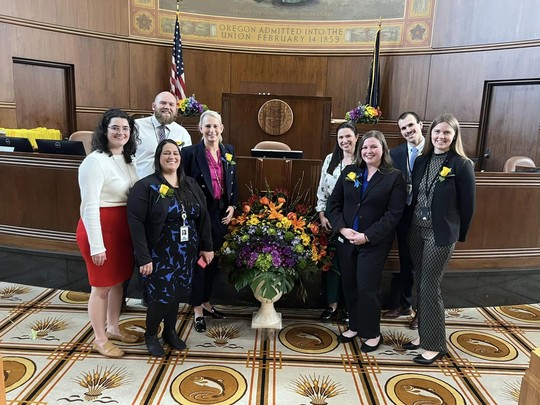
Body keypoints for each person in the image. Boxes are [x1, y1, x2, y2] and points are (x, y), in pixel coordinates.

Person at [127, 139, 214, 357]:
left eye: (175, 153)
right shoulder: (146, 186)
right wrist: (143, 257)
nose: (171, 157)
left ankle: (169, 331)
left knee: (176, 294)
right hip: (159, 254)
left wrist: (207, 247)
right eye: (166, 153)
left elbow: (203, 218)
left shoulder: (190, 184)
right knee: (161, 297)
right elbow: (135, 223)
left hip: (186, 254)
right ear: (158, 158)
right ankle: (150, 335)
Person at [403, 113, 475, 365]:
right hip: (416, 230)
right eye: (437, 132)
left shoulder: (462, 164)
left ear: (454, 136)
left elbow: (468, 206)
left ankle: (435, 345)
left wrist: (457, 234)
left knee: (430, 286)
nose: (441, 136)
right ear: (430, 134)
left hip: (440, 234)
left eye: (446, 132)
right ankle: (425, 334)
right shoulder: (423, 161)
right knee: (418, 283)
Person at [327, 130, 406, 352]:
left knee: (366, 287)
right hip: (347, 240)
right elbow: (333, 204)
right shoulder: (350, 171)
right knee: (349, 285)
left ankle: (372, 332)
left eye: (373, 147)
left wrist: (367, 236)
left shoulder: (394, 177)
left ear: (383, 149)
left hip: (373, 243)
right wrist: (342, 228)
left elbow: (393, 214)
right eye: (364, 148)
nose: (368, 151)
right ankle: (354, 325)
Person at [76, 109, 141, 358]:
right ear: (104, 130)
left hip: (122, 231)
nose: (121, 132)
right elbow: (89, 206)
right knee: (101, 286)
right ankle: (100, 339)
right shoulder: (94, 161)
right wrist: (97, 245)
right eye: (116, 128)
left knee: (117, 283)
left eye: (126, 129)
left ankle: (113, 327)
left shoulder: (127, 158)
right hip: (100, 230)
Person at [181, 110, 238, 333]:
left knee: (212, 261)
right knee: (200, 262)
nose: (212, 130)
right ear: (200, 129)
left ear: (221, 128)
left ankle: (206, 301)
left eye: (215, 126)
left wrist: (233, 204)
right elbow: (183, 186)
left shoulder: (229, 151)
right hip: (199, 216)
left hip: (220, 215)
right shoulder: (190, 153)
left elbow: (233, 181)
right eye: (207, 127)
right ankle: (197, 310)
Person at [382, 112, 425, 329]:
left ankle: (422, 311)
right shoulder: (396, 153)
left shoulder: (434, 150)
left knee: (425, 266)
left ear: (420, 125)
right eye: (403, 128)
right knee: (406, 261)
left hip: (427, 218)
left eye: (410, 126)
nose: (408, 131)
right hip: (403, 216)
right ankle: (405, 304)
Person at [316, 122, 359, 322]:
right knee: (332, 263)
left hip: (356, 219)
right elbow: (322, 189)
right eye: (340, 137)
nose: (344, 141)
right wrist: (322, 214)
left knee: (353, 265)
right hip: (332, 218)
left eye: (348, 136)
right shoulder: (330, 160)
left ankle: (351, 307)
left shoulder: (363, 158)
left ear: (357, 137)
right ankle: (332, 304)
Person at [135, 91, 192, 179]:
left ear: (176, 109)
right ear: (153, 106)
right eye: (163, 103)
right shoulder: (137, 127)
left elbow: (186, 164)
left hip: (171, 187)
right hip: (141, 184)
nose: (167, 107)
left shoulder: (182, 133)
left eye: (171, 104)